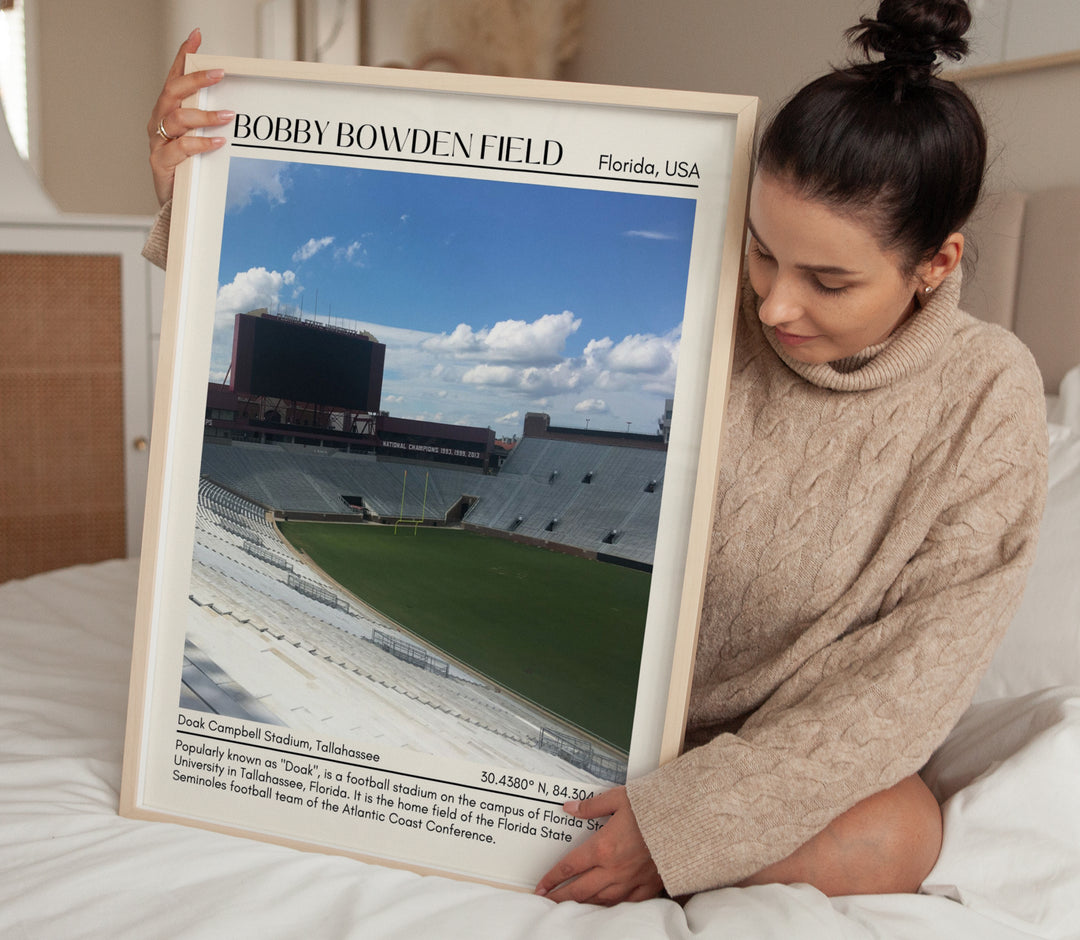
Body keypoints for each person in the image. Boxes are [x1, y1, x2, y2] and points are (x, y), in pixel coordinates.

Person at [145, 1, 1047, 905]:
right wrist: (199, 195)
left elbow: (908, 688)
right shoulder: (708, 294)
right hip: (618, 727)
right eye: (764, 254)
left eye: (829, 280)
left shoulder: (986, 397)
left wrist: (688, 824)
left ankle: (618, 847)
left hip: (775, 757)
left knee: (900, 833)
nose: (773, 305)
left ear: (936, 264)